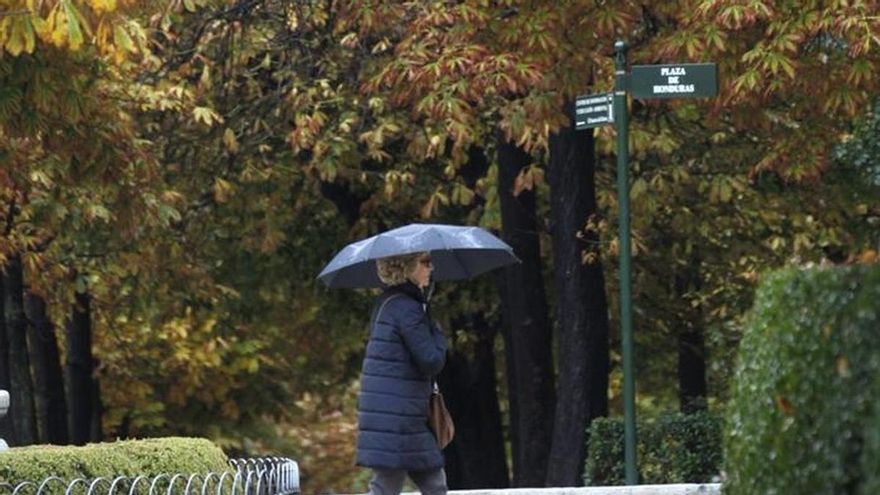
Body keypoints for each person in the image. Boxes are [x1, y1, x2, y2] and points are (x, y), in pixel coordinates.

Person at [355, 251, 448, 495]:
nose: (431, 268)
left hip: (396, 413)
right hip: (399, 418)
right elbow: (431, 360)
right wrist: (438, 333)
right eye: (425, 263)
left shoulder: (389, 304)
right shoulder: (407, 308)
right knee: (389, 486)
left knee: (433, 483)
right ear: (408, 268)